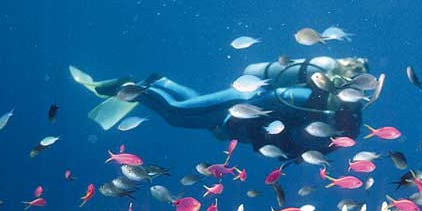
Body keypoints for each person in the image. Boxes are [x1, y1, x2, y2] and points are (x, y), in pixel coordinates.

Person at [70, 56, 382, 158]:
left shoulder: (343, 120)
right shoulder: (310, 100)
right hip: (245, 101)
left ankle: (159, 82)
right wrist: (229, 122)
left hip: (246, 121)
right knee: (179, 114)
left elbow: (298, 142)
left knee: (192, 105)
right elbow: (273, 99)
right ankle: (132, 88)